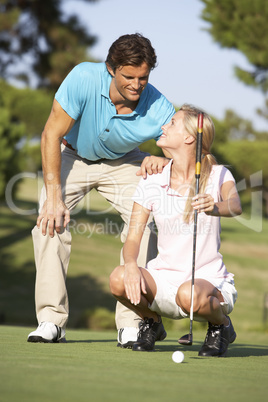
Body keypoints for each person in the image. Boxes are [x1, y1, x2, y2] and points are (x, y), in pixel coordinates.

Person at [27, 33, 175, 345]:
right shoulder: (83, 77)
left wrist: (162, 160)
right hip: (73, 155)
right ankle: (51, 321)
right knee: (48, 223)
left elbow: (186, 145)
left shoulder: (158, 104)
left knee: (147, 223)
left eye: (143, 78)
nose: (136, 85)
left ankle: (133, 323)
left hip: (126, 162)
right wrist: (54, 198)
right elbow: (50, 134)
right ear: (111, 68)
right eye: (128, 77)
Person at [109, 104, 242, 356]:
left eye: (171, 124)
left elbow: (235, 205)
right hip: (162, 278)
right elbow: (134, 236)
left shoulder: (217, 174)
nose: (163, 127)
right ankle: (152, 322)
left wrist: (216, 206)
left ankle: (221, 325)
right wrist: (129, 265)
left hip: (207, 282)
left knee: (189, 294)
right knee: (118, 279)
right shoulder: (152, 178)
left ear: (189, 137)